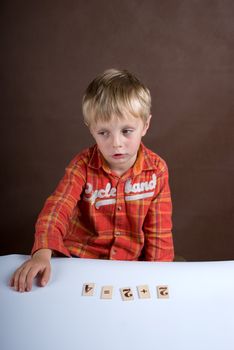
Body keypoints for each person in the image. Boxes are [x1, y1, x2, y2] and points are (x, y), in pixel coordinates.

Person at [10, 68, 174, 292]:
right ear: (91, 130)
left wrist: (159, 278)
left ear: (145, 125)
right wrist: (41, 254)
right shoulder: (82, 166)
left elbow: (159, 233)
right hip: (79, 262)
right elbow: (57, 208)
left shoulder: (157, 171)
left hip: (129, 269)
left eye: (126, 131)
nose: (116, 143)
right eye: (104, 133)